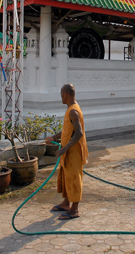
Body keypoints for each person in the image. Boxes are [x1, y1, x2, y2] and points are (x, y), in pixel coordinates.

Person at [45, 83, 88, 220]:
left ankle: (74, 209)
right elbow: (67, 131)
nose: (61, 97)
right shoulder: (71, 109)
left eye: (61, 94)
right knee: (66, 177)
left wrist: (64, 149)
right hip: (68, 151)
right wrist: (54, 137)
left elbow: (78, 134)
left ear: (65, 94)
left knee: (74, 178)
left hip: (73, 151)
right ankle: (66, 203)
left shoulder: (73, 111)